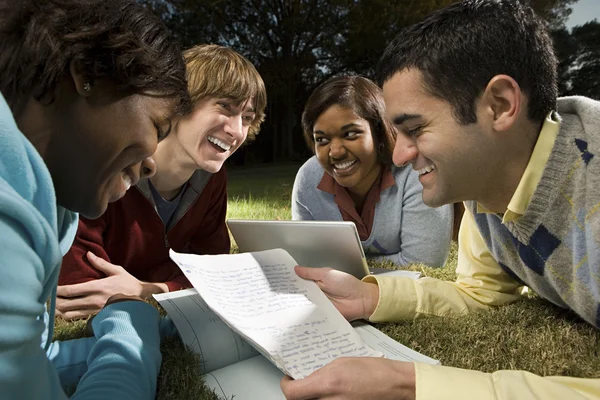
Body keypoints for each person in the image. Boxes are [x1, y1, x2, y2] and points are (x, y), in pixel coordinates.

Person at [281, 1, 600, 399]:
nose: (398, 156)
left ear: (499, 105)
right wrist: (370, 296)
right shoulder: (484, 191)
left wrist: (409, 386)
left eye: (414, 129)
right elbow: (479, 292)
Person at [0, 0, 191, 398]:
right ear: (89, 76)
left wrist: (138, 324)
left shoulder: (41, 196)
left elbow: (36, 357)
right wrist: (129, 329)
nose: (153, 162)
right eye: (159, 125)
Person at [56, 44, 267, 320]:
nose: (236, 130)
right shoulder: (111, 162)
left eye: (247, 118)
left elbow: (214, 272)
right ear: (179, 101)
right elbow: (79, 286)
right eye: (225, 107)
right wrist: (173, 285)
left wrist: (149, 290)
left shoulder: (212, 180)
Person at [292, 75, 452, 267]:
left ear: (379, 133)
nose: (335, 152)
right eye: (322, 140)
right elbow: (308, 260)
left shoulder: (416, 171)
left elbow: (424, 263)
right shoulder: (308, 179)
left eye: (350, 134)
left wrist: (343, 266)